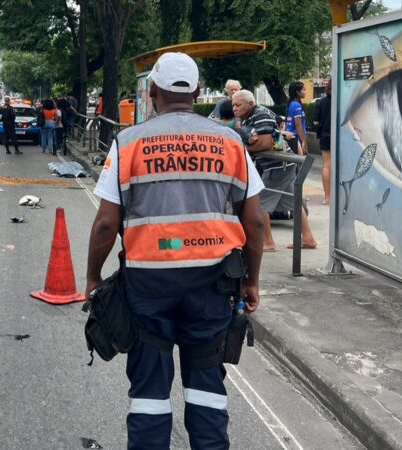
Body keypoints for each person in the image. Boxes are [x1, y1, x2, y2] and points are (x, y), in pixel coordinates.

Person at [86, 53, 265, 449]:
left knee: (149, 393)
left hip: (148, 286)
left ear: (152, 92)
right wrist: (252, 280)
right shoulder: (230, 141)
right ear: (199, 92)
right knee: (207, 390)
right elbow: (254, 222)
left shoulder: (128, 142)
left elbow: (104, 224)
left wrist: (94, 277)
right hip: (214, 285)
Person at [232, 90, 318, 252]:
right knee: (293, 202)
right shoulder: (250, 117)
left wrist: (245, 147)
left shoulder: (260, 115)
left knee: (260, 203)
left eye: (238, 105)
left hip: (278, 165)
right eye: (233, 105)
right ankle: (308, 238)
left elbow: (265, 144)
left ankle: (268, 242)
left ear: (250, 104)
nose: (234, 108)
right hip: (282, 164)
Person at [315, 81, 332, 204]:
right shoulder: (342, 101)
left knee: (326, 165)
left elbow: (315, 121)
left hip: (325, 136)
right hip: (342, 138)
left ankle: (327, 197)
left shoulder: (322, 102)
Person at [285, 81, 309, 155]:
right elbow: (298, 125)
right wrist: (304, 142)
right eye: (303, 90)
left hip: (291, 138)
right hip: (296, 138)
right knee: (302, 163)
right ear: (297, 92)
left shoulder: (291, 103)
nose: (305, 92)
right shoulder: (296, 105)